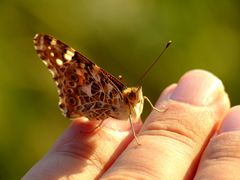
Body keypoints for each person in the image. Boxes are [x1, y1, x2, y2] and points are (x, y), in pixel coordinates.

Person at [22, 70, 240, 179]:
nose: (138, 97)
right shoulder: (117, 99)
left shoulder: (132, 100)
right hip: (82, 103)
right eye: (135, 95)